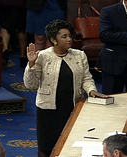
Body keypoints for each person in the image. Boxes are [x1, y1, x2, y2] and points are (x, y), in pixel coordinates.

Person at [24, 19, 108, 157]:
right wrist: (32, 64)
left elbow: (86, 78)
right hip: (48, 111)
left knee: (69, 145)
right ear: (53, 40)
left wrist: (91, 90)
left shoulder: (79, 55)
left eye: (70, 36)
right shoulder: (43, 56)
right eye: (64, 37)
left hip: (71, 108)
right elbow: (30, 84)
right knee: (46, 148)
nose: (69, 39)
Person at [0, 0, 27, 66]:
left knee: (5, 27)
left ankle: (5, 49)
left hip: (7, 3)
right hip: (23, 4)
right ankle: (23, 56)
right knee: (22, 29)